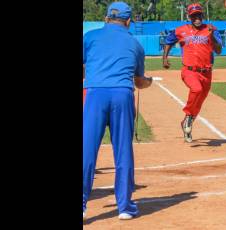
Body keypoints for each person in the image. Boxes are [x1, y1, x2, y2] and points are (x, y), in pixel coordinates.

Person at [82, 1, 152, 221]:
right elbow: (139, 81)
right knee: (122, 150)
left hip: (94, 94)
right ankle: (124, 207)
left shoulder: (90, 37)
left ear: (106, 18)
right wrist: (148, 82)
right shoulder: (135, 44)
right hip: (122, 94)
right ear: (128, 21)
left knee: (87, 149)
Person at [162, 3, 222, 143]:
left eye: (199, 14)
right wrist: (165, 57)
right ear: (189, 17)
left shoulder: (211, 29)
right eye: (194, 15)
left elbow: (218, 50)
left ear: (202, 15)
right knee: (196, 89)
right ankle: (188, 116)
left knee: (199, 102)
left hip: (207, 73)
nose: (197, 18)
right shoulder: (180, 30)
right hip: (189, 71)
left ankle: (186, 123)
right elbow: (168, 41)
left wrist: (212, 35)